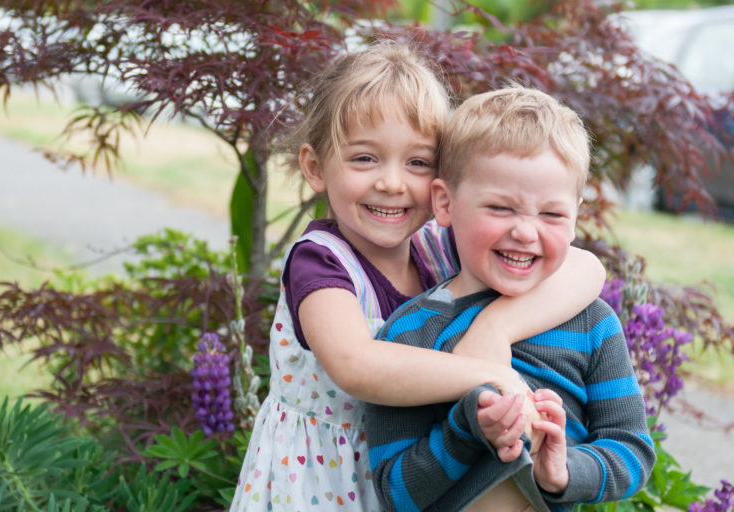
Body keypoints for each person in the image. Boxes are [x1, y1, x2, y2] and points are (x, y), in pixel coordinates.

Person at [230, 43, 606, 512]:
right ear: (314, 167)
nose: (392, 182)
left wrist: (495, 328)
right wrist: (490, 372)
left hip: (418, 473)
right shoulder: (320, 261)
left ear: (441, 184)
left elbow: (587, 267)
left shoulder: (437, 245)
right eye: (365, 158)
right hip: (322, 479)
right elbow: (356, 366)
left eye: (417, 162)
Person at [365, 85, 656, 512]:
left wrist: (562, 471)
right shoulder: (409, 333)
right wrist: (465, 430)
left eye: (552, 214)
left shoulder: (592, 323)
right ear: (444, 203)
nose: (525, 231)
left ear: (576, 216)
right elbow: (395, 492)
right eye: (501, 208)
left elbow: (632, 450)